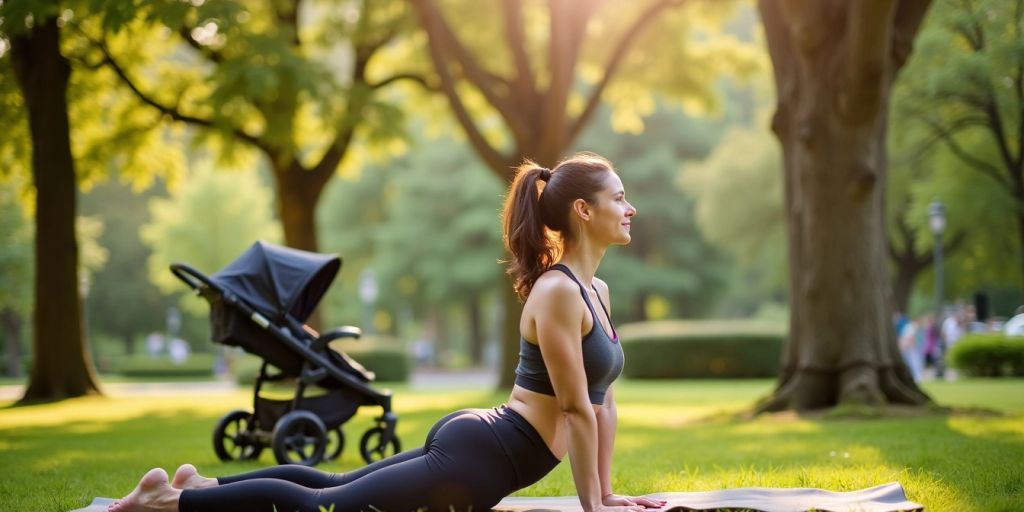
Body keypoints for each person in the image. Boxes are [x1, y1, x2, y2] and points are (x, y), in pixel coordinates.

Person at [107, 152, 663, 512]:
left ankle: (202, 487)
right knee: (322, 510)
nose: (630, 207)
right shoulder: (560, 291)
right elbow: (573, 410)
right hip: (487, 455)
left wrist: (608, 494)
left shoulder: (598, 293)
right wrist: (595, 509)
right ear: (584, 211)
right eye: (619, 197)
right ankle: (167, 504)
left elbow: (602, 403)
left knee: (329, 484)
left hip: (489, 444)